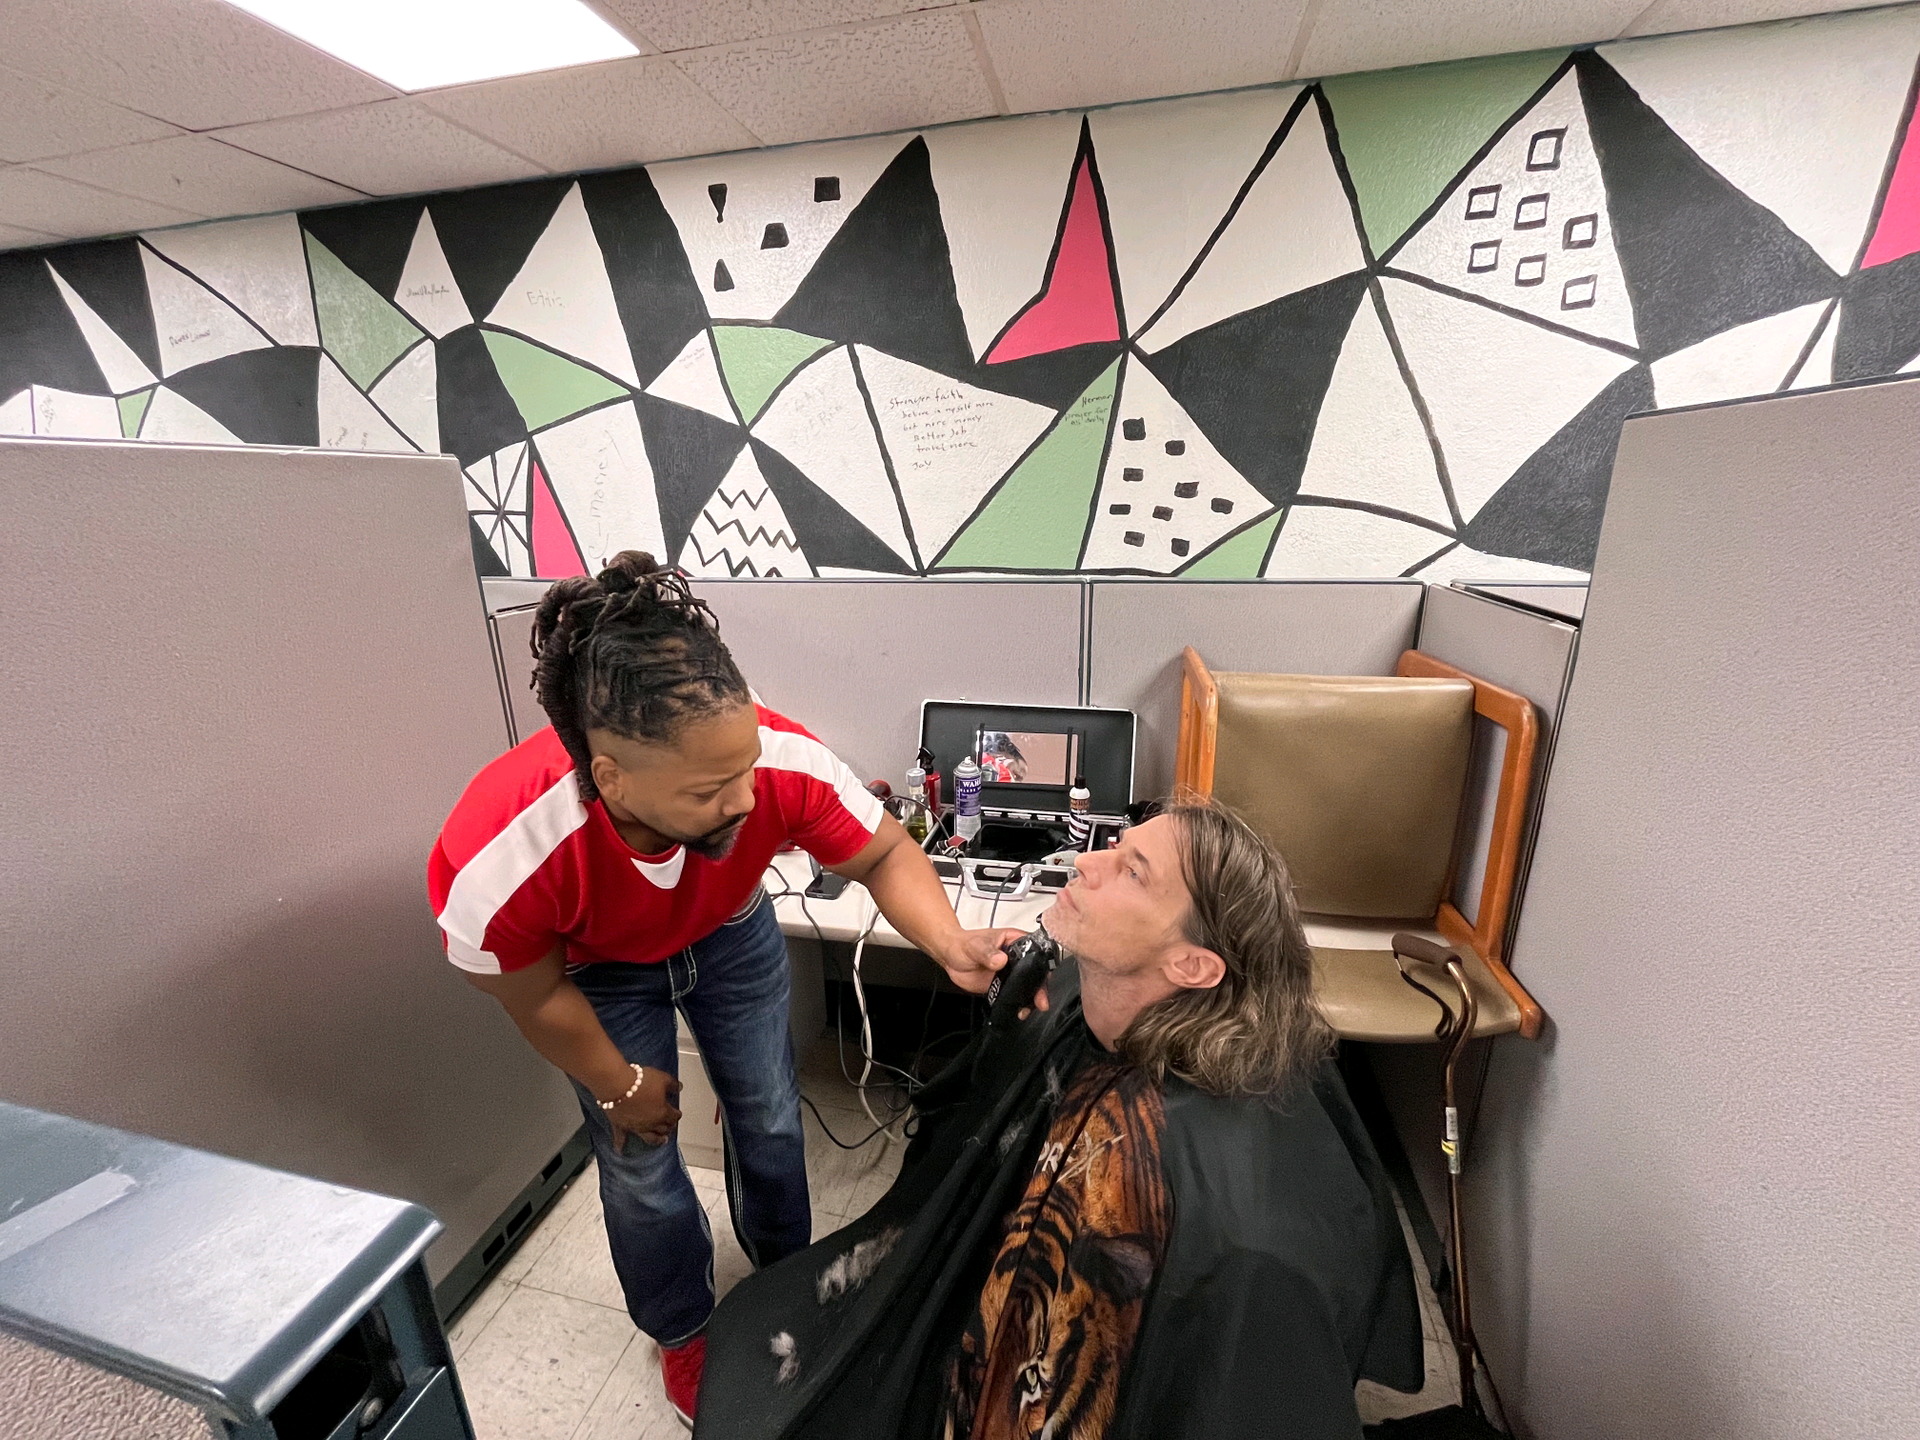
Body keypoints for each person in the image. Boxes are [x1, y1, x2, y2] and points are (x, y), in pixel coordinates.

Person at [427, 553, 1022, 1427]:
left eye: (745, 769)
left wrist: (949, 941)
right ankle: (685, 1331)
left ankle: (787, 1280)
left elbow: (887, 851)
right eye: (711, 790)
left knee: (771, 1113)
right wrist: (618, 1081)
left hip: (730, 930)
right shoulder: (505, 852)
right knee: (641, 1165)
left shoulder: (776, 763)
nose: (749, 801)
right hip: (595, 970)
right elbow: (531, 994)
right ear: (612, 776)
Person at [697, 798, 1426, 1440]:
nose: (1086, 856)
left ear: (1194, 967)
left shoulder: (1236, 1237)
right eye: (1119, 843)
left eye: (1132, 871)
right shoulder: (1088, 999)